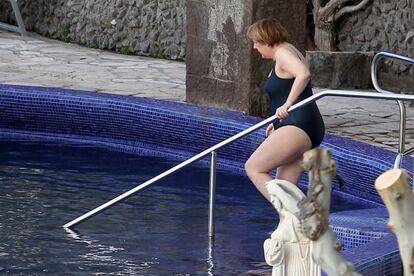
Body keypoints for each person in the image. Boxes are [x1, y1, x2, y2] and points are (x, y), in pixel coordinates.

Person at [244, 18, 325, 203]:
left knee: (253, 168)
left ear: (266, 39)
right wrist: (278, 123)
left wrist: (287, 104)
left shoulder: (282, 53)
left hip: (298, 125)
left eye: (256, 42)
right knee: (284, 188)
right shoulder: (288, 50)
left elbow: (303, 74)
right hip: (303, 125)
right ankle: (295, 225)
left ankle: (299, 215)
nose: (255, 47)